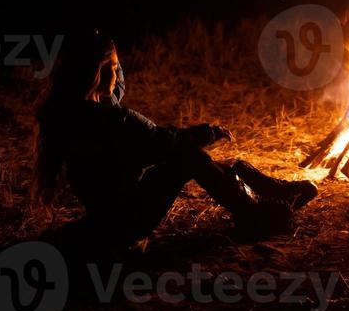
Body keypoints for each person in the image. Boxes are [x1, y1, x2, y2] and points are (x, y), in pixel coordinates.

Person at [34, 31, 317, 248]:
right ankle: (254, 215)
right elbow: (163, 142)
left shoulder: (71, 111)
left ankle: (271, 193)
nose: (118, 72)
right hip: (128, 220)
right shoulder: (113, 121)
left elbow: (114, 89)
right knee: (190, 157)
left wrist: (105, 49)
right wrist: (207, 132)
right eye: (115, 65)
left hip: (106, 217)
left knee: (213, 161)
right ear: (100, 71)